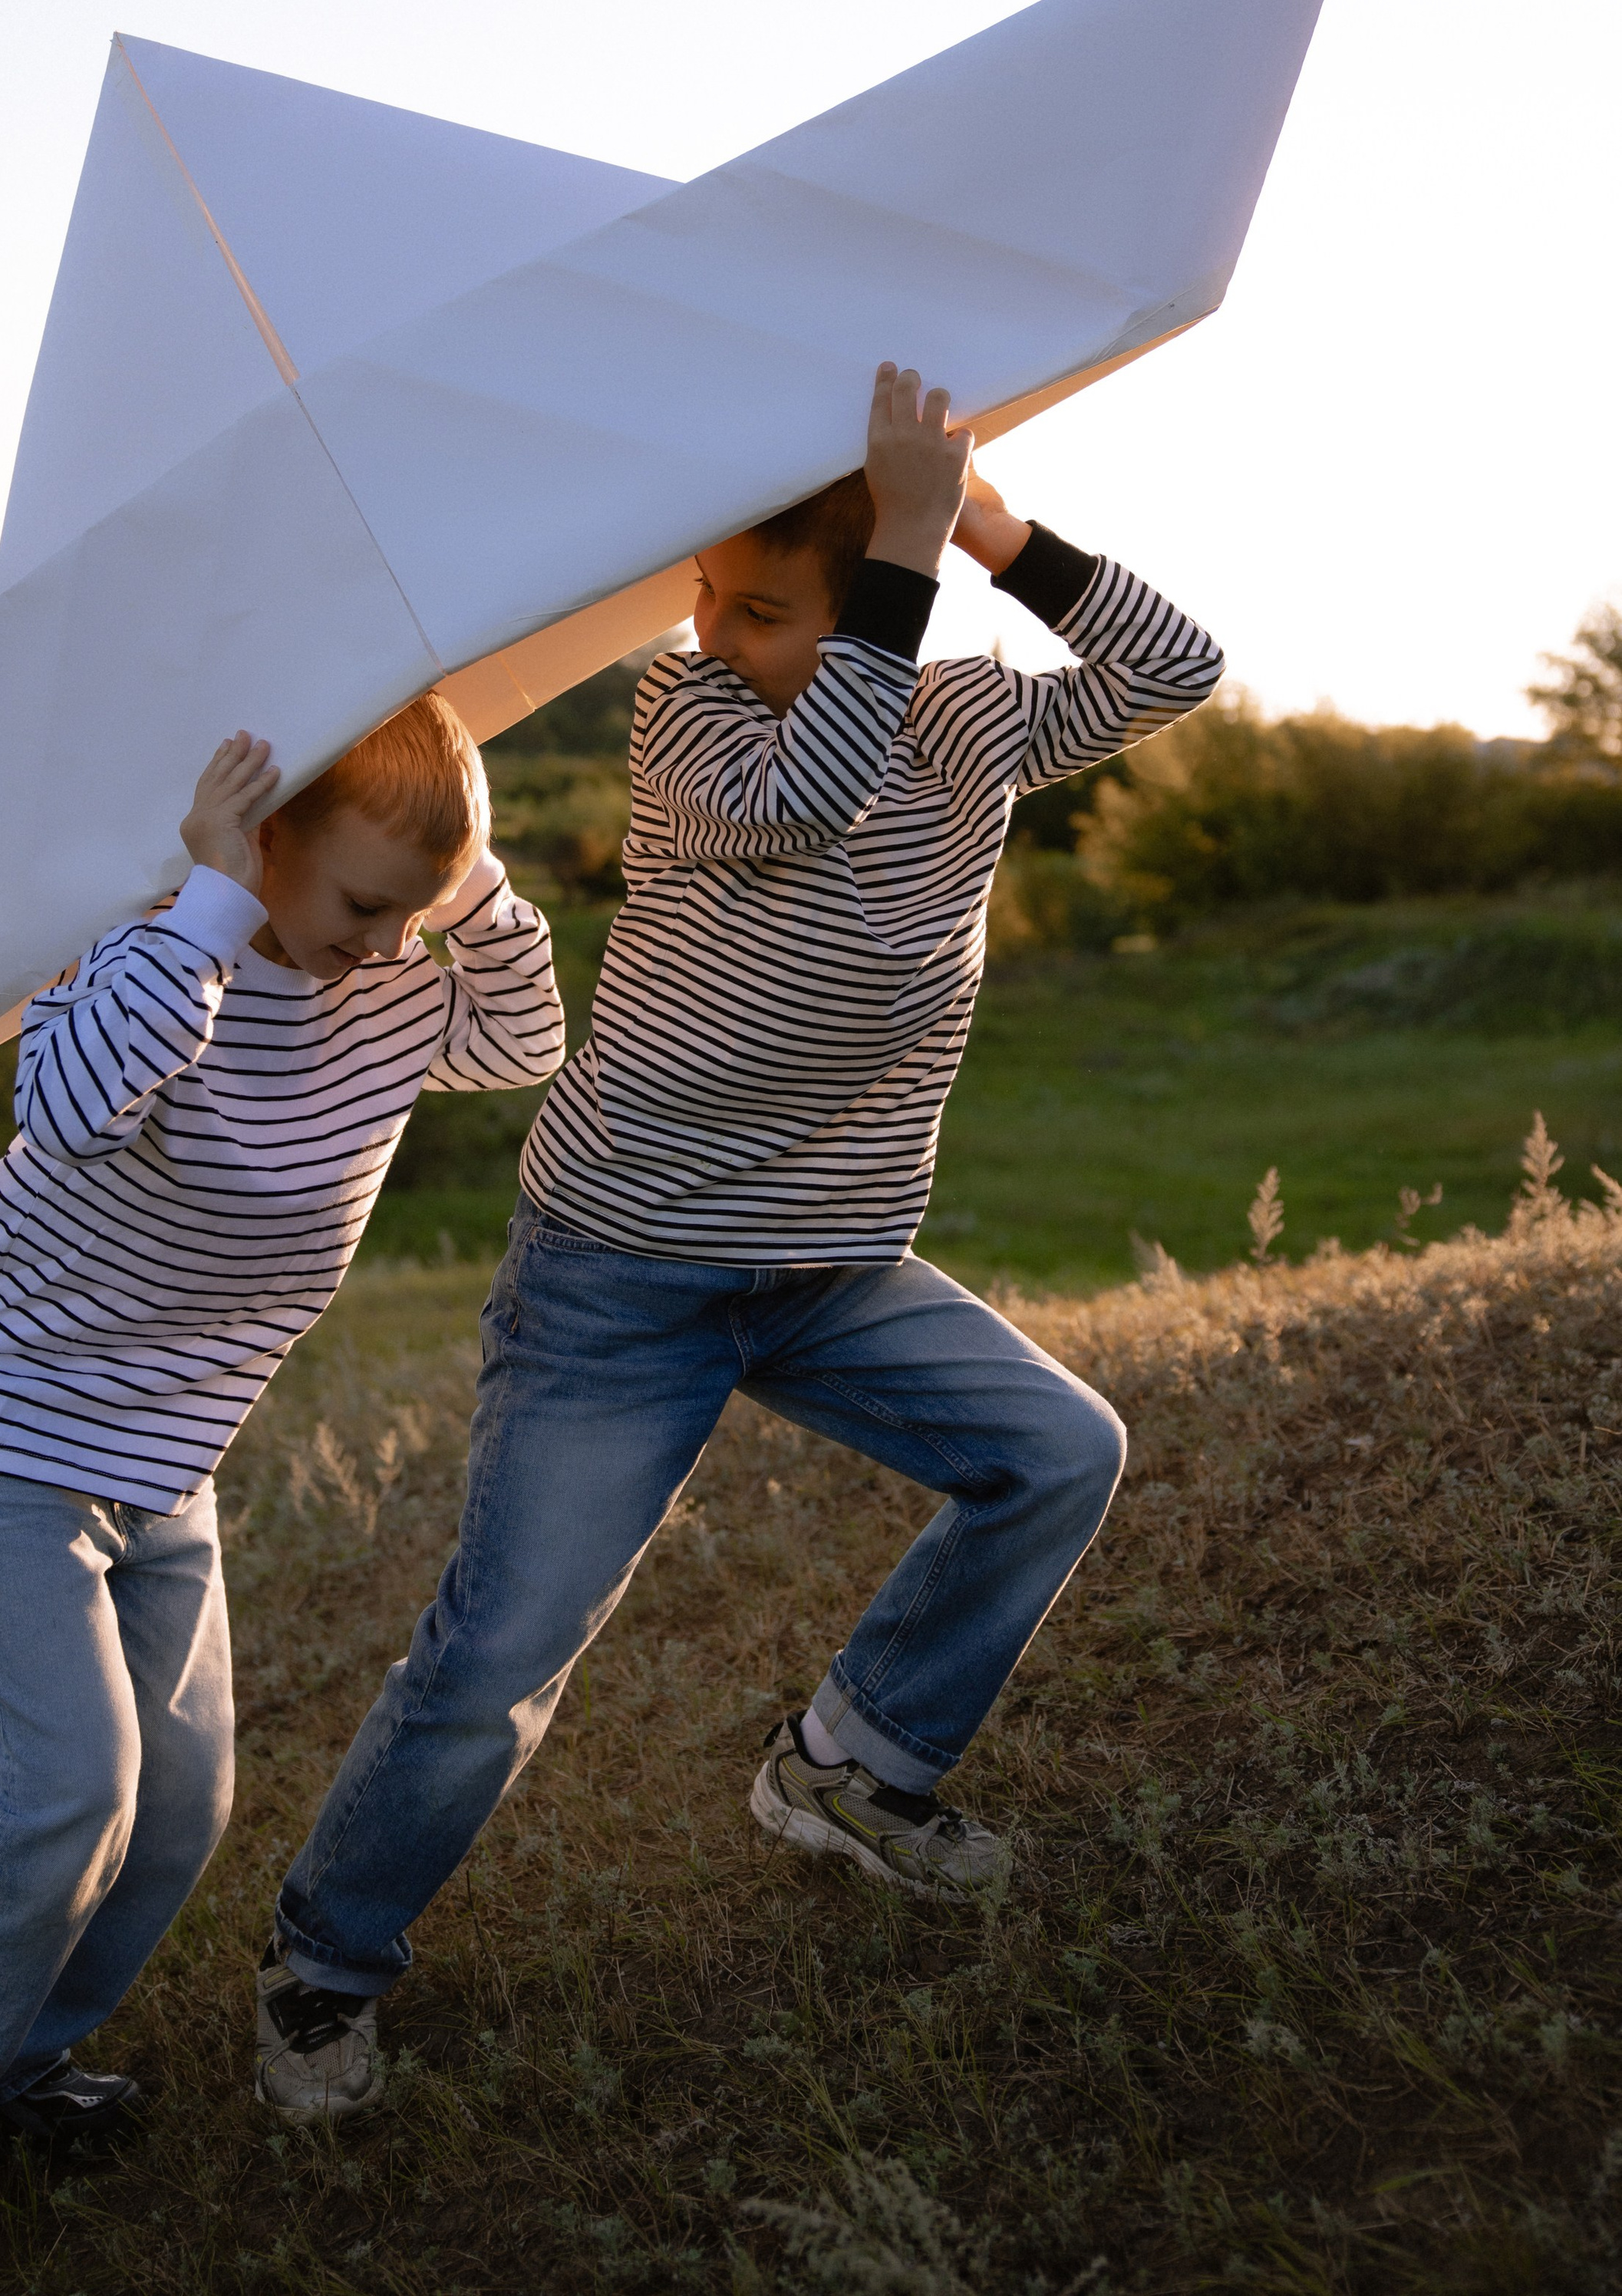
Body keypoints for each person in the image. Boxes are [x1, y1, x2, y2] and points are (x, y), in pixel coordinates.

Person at [256, 362, 1224, 2121]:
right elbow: (816, 785)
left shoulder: (970, 723)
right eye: (707, 588)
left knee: (1055, 1450)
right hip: (618, 1272)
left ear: (871, 596)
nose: (707, 623)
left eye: (756, 601)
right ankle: (324, 1962)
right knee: (498, 1654)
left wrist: (976, 517)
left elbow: (1176, 667)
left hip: (830, 1262)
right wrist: (890, 562)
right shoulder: (689, 719)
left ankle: (848, 1760)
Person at [0, 694, 562, 2277]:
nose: (377, 940)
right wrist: (204, 906)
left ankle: (2, 2050)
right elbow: (64, 1112)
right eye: (356, 900)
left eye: (412, 909)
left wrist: (464, 881)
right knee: (58, 1790)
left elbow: (532, 1035)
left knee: (177, 1802)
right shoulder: (143, 949)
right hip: (8, 1418)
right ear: (256, 841)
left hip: (164, 1450)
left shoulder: (401, 989)